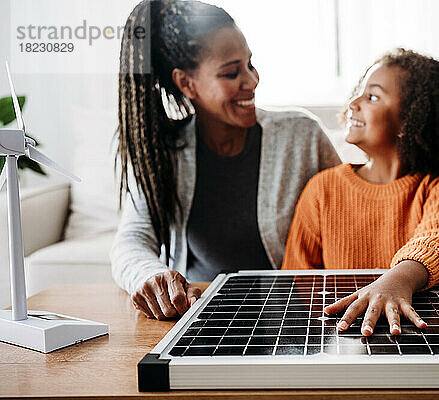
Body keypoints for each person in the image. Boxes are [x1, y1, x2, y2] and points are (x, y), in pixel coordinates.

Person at [111, 0, 340, 320]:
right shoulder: (163, 152)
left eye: (250, 64)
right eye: (232, 72)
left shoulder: (302, 135)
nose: (252, 81)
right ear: (186, 83)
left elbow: (347, 216)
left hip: (291, 314)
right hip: (195, 314)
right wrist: (150, 276)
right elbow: (132, 239)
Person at [282, 48, 439, 337]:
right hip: (343, 338)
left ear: (408, 121)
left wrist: (396, 281)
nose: (354, 103)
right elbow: (297, 285)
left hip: (420, 337)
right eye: (359, 92)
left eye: (372, 96)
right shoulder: (323, 189)